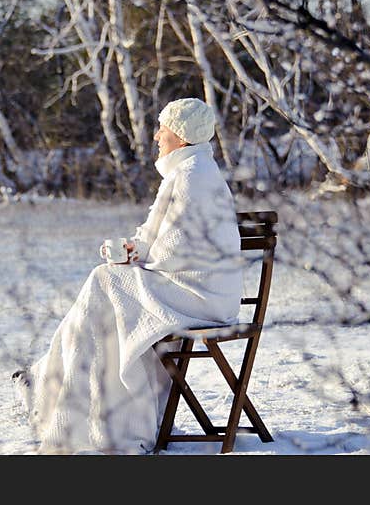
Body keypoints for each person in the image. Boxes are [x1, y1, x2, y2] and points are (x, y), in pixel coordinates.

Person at [13, 97, 243, 453]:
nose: (156, 137)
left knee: (104, 282)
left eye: (162, 129)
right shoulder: (191, 170)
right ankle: (67, 392)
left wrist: (136, 260)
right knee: (106, 288)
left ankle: (58, 389)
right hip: (197, 289)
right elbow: (163, 238)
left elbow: (175, 249)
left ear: (180, 136)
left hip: (199, 295)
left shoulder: (192, 175)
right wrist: (135, 251)